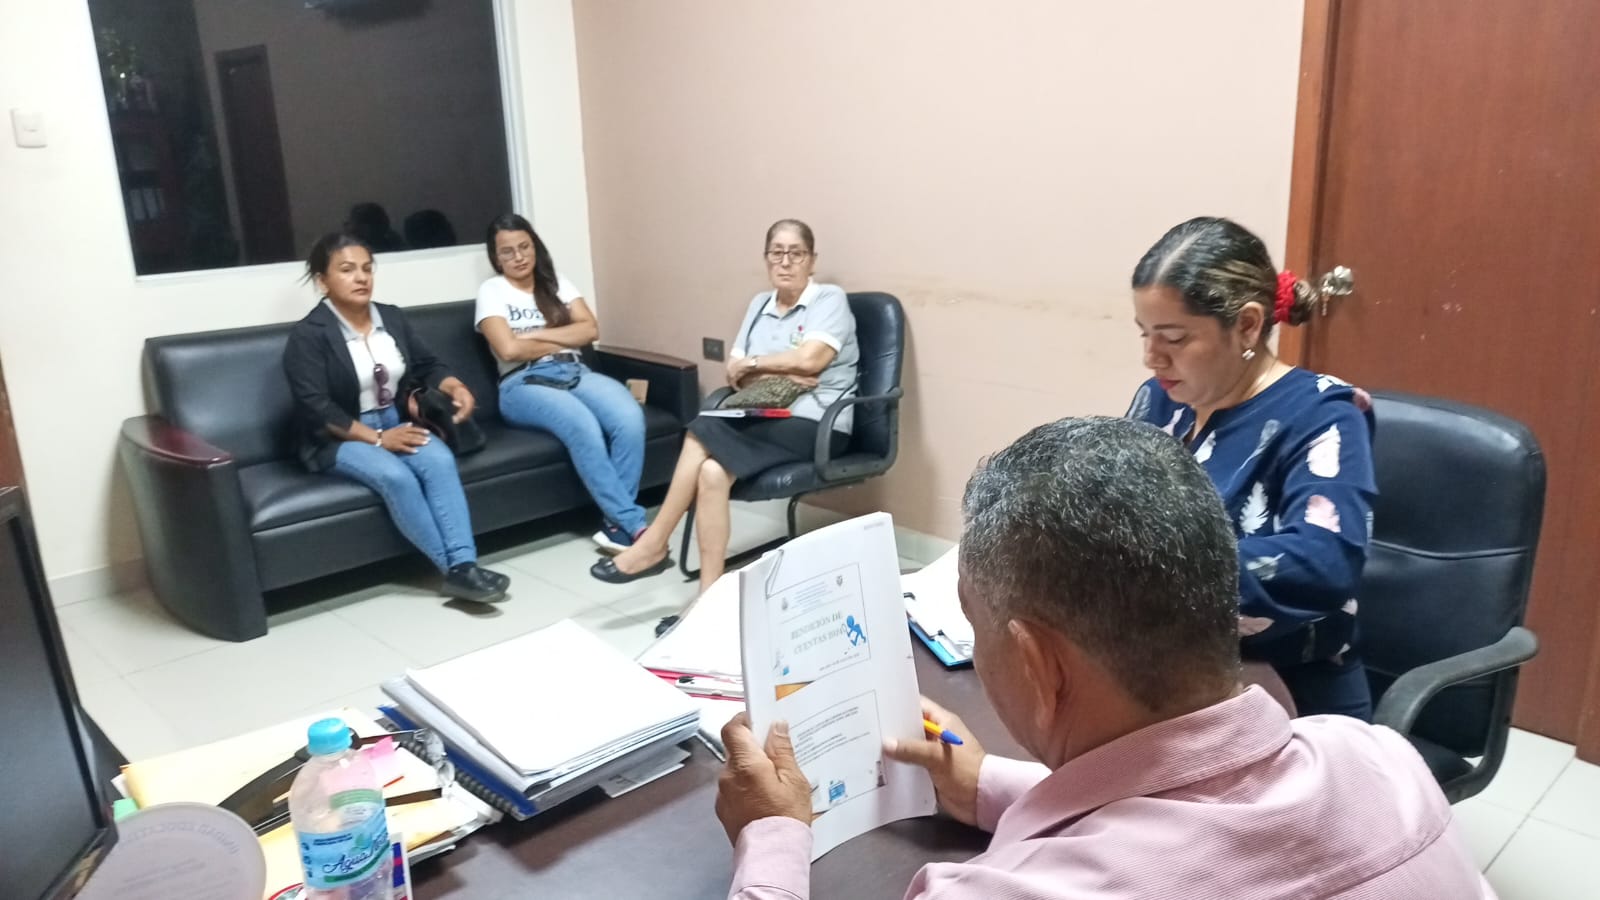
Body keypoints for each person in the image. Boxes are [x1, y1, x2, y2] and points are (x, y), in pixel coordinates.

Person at [715, 417, 1492, 899]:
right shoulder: (1380, 763)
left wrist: (775, 837)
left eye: (978, 628)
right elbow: (1192, 805)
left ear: (1039, 665)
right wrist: (990, 786)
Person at [1124, 216, 1376, 719]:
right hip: (1168, 669)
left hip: (1287, 688)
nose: (1152, 358)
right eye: (1145, 334)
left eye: (1174, 338)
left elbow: (1324, 562)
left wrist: (1147, 573)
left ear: (1247, 325)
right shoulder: (1162, 399)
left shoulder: (1324, 416)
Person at [590, 219, 859, 594]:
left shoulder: (829, 299)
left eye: (796, 253)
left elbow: (810, 360)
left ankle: (653, 544)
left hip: (819, 422)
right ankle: (709, 597)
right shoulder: (759, 304)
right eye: (777, 253)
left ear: (812, 260)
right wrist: (777, 369)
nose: (785, 262)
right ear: (766, 259)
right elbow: (735, 375)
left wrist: (758, 364)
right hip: (765, 416)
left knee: (701, 428)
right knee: (712, 472)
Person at [282, 232, 509, 603]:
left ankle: (465, 564)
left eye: (367, 268)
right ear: (323, 281)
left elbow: (428, 364)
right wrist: (377, 439)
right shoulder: (308, 335)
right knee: (396, 477)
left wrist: (454, 386)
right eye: (347, 270)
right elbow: (315, 407)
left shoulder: (391, 316)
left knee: (439, 461)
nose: (361, 277)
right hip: (338, 436)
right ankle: (456, 571)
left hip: (395, 421)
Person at [475, 214, 649, 552]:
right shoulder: (492, 291)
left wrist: (534, 335)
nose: (518, 257)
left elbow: (590, 329)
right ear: (496, 257)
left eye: (524, 247)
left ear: (535, 246)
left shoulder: (556, 283)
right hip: (522, 382)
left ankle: (615, 525)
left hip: (574, 371)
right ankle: (633, 524)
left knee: (629, 417)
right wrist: (560, 337)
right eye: (508, 251)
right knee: (584, 426)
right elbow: (509, 350)